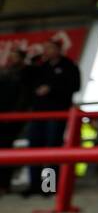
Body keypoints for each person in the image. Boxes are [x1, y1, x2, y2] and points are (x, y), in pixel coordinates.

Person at [21, 38, 81, 197]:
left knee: (52, 150)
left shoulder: (69, 66)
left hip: (56, 113)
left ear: (58, 50)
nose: (46, 51)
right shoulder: (41, 67)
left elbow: (75, 86)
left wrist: (52, 88)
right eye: (45, 48)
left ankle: (49, 186)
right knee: (34, 149)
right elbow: (27, 83)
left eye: (50, 48)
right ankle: (33, 184)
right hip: (39, 113)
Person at [0, 48, 31, 196]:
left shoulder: (26, 74)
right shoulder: (4, 72)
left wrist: (14, 114)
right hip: (4, 118)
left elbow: (23, 98)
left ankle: (47, 187)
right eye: (10, 56)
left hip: (13, 119)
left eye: (15, 56)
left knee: (47, 151)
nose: (11, 59)